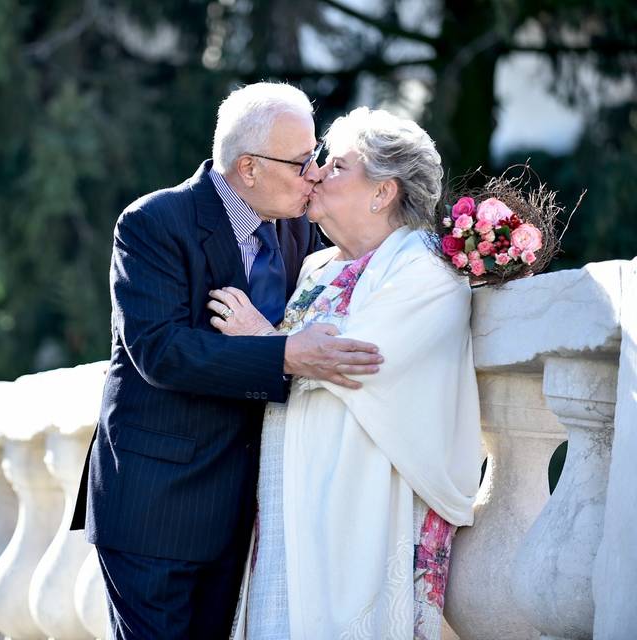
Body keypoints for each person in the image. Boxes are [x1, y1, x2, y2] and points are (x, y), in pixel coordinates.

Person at [70, 83, 386, 639]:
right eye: (302, 161)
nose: (314, 173)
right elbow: (161, 352)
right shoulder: (152, 223)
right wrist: (285, 353)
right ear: (248, 168)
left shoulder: (294, 226)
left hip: (242, 514)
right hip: (154, 506)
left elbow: (368, 250)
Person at [208, 107, 482, 639]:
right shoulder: (316, 266)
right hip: (286, 493)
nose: (313, 173)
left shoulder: (425, 271)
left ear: (383, 192)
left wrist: (263, 342)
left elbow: (357, 362)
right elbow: (310, 360)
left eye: (335, 166)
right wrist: (277, 350)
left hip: (361, 502)